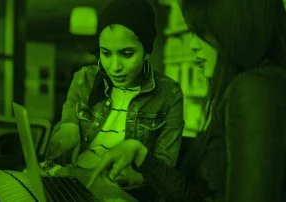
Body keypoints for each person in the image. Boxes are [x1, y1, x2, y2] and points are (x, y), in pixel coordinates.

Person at [89, 0, 286, 201]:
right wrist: (140, 154)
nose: (193, 46)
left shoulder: (254, 88)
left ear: (235, 29)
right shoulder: (256, 86)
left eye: (201, 34)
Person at [45, 0, 185, 200]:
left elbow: (163, 167)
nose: (114, 67)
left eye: (127, 54)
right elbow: (68, 122)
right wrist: (68, 127)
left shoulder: (169, 94)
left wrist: (124, 176)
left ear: (147, 51)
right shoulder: (84, 79)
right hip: (73, 181)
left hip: (123, 191)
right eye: (106, 53)